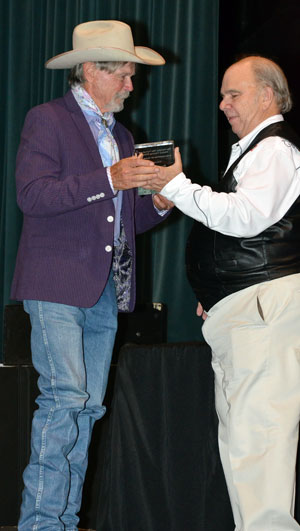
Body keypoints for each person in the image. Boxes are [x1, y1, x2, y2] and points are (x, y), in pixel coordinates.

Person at [11, 19, 173, 531]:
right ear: (88, 71)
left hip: (105, 291)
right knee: (64, 401)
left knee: (85, 410)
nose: (132, 84)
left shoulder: (123, 135)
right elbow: (32, 196)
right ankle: (41, 524)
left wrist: (161, 203)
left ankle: (63, 521)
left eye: (131, 75)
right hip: (56, 285)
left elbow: (126, 220)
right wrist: (110, 177)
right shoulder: (47, 119)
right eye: (123, 74)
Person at [147, 55, 300, 530]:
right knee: (244, 447)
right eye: (223, 95)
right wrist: (217, 287)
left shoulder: (275, 150)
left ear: (267, 96)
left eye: (233, 94)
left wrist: (178, 185)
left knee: (259, 445)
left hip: (263, 310)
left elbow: (246, 216)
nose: (222, 104)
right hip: (245, 308)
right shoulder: (255, 152)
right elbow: (247, 229)